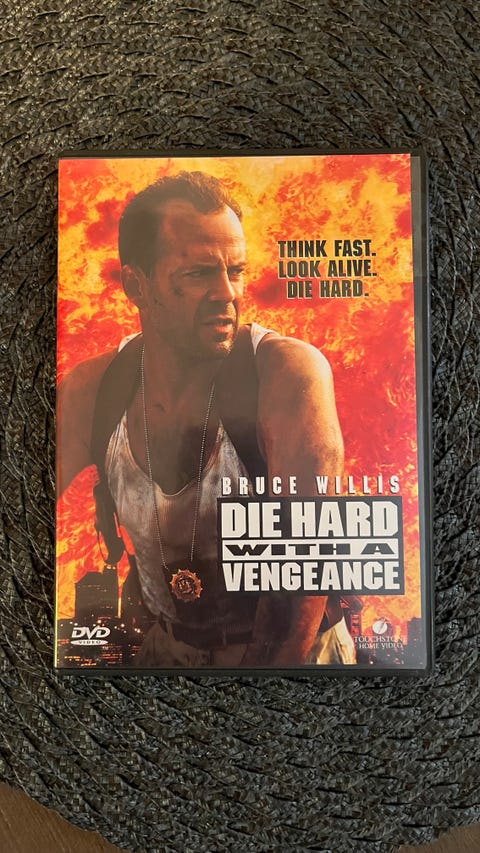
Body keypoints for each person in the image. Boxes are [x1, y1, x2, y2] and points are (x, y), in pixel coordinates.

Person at [57, 170, 354, 668]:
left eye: (235, 271)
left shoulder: (285, 373)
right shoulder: (93, 390)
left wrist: (253, 700)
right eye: (197, 274)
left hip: (294, 657)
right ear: (136, 285)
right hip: (169, 650)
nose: (227, 293)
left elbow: (302, 576)